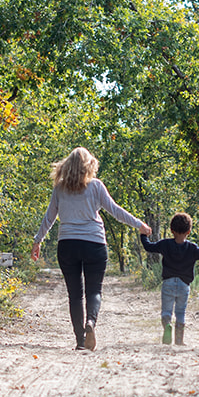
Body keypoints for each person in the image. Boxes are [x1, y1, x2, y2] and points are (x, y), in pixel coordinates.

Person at [31, 147, 151, 351]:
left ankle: (80, 341)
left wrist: (37, 241)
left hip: (68, 245)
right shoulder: (96, 186)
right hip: (94, 243)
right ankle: (91, 323)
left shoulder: (60, 188)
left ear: (67, 166)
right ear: (90, 165)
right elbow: (115, 210)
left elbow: (49, 217)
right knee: (94, 290)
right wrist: (139, 224)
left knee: (75, 294)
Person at [139, 213, 199, 346]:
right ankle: (179, 340)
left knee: (166, 311)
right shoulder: (192, 248)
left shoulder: (165, 244)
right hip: (184, 285)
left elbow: (148, 247)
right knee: (180, 312)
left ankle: (167, 325)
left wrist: (143, 234)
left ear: (171, 230)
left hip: (168, 283)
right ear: (189, 231)